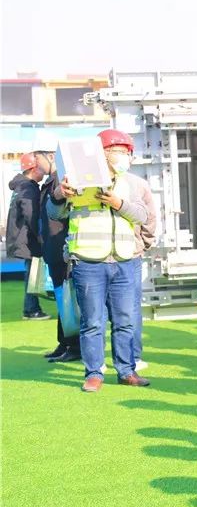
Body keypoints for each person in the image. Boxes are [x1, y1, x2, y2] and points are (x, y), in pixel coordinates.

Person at [48, 129, 152, 392]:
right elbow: (53, 212)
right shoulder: (73, 181)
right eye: (118, 151)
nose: (124, 156)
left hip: (125, 259)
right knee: (92, 322)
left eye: (126, 152)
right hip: (88, 260)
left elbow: (143, 215)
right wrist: (60, 194)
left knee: (125, 320)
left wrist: (119, 203)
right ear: (102, 154)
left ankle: (126, 370)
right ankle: (94, 373)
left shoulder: (134, 183)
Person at [36, 144, 81, 362]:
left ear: (51, 156)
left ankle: (74, 346)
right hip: (53, 250)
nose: (36, 163)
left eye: (37, 157)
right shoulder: (51, 182)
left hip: (62, 250)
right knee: (63, 300)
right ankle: (65, 343)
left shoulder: (62, 181)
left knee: (68, 300)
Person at [6, 152, 50, 320]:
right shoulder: (29, 188)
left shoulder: (20, 186)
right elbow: (32, 215)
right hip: (28, 239)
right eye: (40, 168)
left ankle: (31, 308)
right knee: (32, 275)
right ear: (33, 169)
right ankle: (31, 309)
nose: (43, 172)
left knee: (31, 273)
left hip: (22, 238)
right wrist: (41, 237)